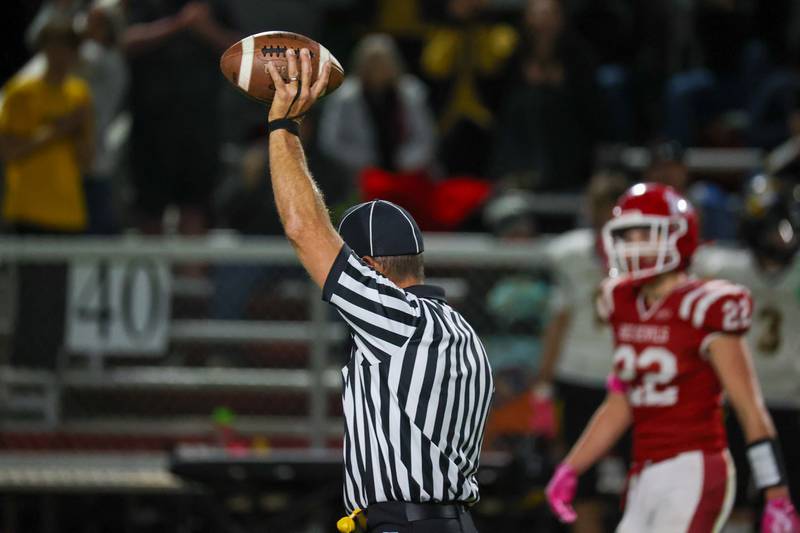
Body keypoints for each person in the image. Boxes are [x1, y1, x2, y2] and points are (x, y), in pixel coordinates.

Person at [264, 48, 493, 533]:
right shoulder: (460, 329)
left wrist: (282, 129)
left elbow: (304, 227)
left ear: (370, 269)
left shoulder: (398, 320)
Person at [544, 183, 800, 532]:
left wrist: (777, 494)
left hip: (693, 466)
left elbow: (749, 409)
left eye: (646, 234)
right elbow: (621, 402)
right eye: (627, 236)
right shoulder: (622, 302)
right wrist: (572, 466)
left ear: (678, 236)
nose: (635, 246)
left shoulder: (706, 306)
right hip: (644, 471)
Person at [693, 174, 800, 532]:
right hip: (740, 401)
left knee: (785, 502)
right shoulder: (724, 268)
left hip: (790, 401)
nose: (780, 237)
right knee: (731, 498)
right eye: (773, 229)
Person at [532, 172, 629, 533]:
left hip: (623, 377)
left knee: (636, 480)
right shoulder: (570, 255)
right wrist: (544, 384)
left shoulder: (646, 256)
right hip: (582, 375)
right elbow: (558, 322)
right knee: (581, 482)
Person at [0, 16, 93, 368]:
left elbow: (87, 160)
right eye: (52, 47)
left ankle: (49, 373)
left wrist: (78, 128)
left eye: (65, 48)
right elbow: (8, 151)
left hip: (67, 213)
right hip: (28, 211)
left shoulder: (78, 95)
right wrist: (57, 131)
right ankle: (19, 374)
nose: (59, 56)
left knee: (54, 306)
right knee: (24, 304)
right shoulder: (21, 92)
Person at [123, 0, 238, 234]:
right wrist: (177, 24)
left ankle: (189, 272)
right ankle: (152, 272)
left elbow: (241, 51)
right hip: (151, 127)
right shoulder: (147, 6)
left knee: (195, 207)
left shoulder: (214, 6)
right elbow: (125, 40)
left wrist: (207, 29)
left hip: (202, 125)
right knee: (150, 209)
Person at [318, 34, 437, 187]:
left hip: (409, 172)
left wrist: (407, 161)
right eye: (373, 63)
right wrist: (367, 161)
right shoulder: (345, 97)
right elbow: (330, 141)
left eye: (383, 63)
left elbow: (426, 137)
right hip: (359, 173)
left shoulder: (411, 92)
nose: (378, 68)